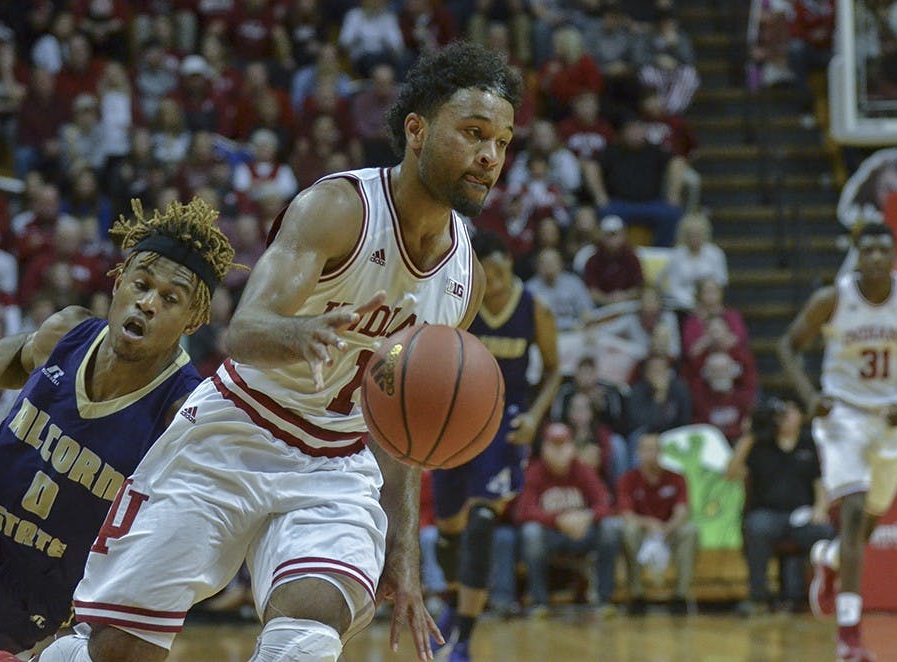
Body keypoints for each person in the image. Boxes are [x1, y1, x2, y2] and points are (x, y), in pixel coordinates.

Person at [34, 42, 523, 662]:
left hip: (334, 466)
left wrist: (405, 553)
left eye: (502, 142)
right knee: (116, 650)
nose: (489, 156)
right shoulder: (340, 208)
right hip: (237, 430)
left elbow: (407, 436)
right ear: (417, 131)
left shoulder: (465, 278)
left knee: (306, 637)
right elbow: (240, 331)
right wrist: (303, 334)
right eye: (474, 133)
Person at [0, 197, 237, 661]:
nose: (147, 302)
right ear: (118, 282)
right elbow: (24, 356)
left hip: (42, 582)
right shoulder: (69, 329)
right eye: (141, 284)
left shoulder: (182, 409)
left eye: (170, 298)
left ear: (194, 319)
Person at [778, 223, 897, 662]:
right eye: (866, 249)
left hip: (891, 420)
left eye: (882, 249)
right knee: (853, 515)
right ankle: (850, 635)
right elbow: (787, 346)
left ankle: (831, 557)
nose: (874, 256)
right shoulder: (833, 299)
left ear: (893, 254)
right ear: (856, 255)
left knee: (870, 521)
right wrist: (811, 397)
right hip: (843, 417)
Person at [431, 230, 561, 660]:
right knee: (448, 530)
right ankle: (453, 603)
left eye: (503, 270)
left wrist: (536, 417)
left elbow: (555, 370)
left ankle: (465, 636)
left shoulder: (534, 308)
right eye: (490, 274)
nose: (498, 282)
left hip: (504, 425)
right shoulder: (461, 302)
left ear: (509, 260)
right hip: (458, 421)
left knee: (483, 522)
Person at [727, 399, 833, 616]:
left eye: (790, 411)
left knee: (824, 532)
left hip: (802, 515)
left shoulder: (808, 443)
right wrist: (749, 436)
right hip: (767, 514)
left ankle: (818, 595)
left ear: (802, 417)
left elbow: (820, 482)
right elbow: (730, 474)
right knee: (756, 527)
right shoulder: (760, 443)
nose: (784, 417)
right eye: (780, 413)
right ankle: (758, 596)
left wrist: (821, 509)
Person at [512, 422, 621, 618]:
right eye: (554, 445)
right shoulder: (535, 472)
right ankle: (539, 603)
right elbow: (523, 511)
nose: (559, 451)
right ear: (544, 447)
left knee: (610, 528)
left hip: (581, 533)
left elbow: (605, 504)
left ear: (572, 446)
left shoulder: (582, 469)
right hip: (551, 535)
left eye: (563, 444)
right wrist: (558, 520)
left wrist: (586, 517)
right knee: (531, 533)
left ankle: (604, 600)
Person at [617, 433, 696, 616]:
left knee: (690, 531)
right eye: (646, 449)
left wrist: (667, 528)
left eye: (655, 449)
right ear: (638, 453)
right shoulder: (627, 480)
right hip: (643, 533)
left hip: (669, 531)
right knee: (628, 531)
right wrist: (649, 524)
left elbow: (682, 511)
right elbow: (626, 515)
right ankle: (637, 594)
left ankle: (680, 596)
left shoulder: (676, 478)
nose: (651, 454)